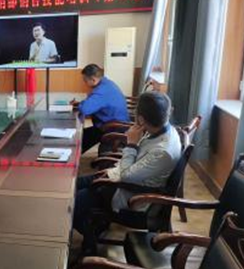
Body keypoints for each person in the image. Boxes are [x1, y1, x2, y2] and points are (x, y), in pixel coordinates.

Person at [72, 92, 181, 253]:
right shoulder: (163, 130)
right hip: (117, 179)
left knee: (71, 204)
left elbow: (126, 176)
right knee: (71, 186)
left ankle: (90, 242)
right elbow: (132, 167)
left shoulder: (162, 151)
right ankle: (94, 230)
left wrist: (131, 143)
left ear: (141, 119)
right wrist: (113, 169)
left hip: (129, 196)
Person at [73, 64, 130, 153]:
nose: (84, 83)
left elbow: (85, 109)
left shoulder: (101, 90)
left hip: (114, 128)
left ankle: (71, 157)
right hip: (115, 123)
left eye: (85, 80)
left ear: (93, 79)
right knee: (83, 135)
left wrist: (81, 104)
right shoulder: (107, 83)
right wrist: (82, 103)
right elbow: (90, 103)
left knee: (78, 139)